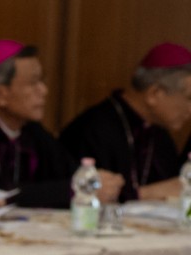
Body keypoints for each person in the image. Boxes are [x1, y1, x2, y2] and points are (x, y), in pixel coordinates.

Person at [0, 41, 107, 209]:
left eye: (42, 81)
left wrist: (98, 182)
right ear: (0, 94)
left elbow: (71, 173)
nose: (44, 90)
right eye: (33, 83)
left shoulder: (31, 130)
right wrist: (74, 189)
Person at [59, 42, 191, 202]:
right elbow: (83, 196)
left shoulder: (159, 132)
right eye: (188, 98)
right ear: (154, 94)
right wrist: (145, 194)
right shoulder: (93, 129)